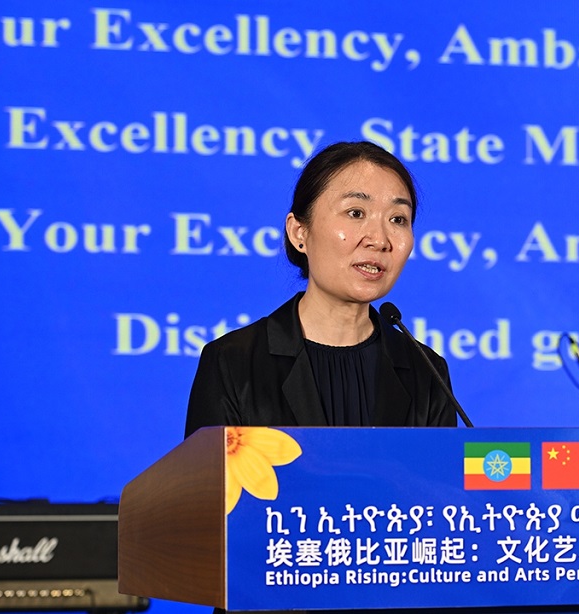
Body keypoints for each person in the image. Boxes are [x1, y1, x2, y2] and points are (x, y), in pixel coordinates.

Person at [184, 141, 458, 437]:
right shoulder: (233, 363)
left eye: (397, 219)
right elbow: (210, 469)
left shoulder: (427, 373)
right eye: (356, 213)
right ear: (299, 232)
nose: (380, 240)